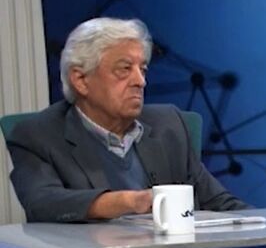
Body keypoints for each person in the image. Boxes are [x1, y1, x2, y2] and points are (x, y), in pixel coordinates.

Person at [6, 17, 247, 223]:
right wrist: (129, 201)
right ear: (80, 80)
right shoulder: (38, 135)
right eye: (124, 69)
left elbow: (220, 202)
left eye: (143, 69)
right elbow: (42, 202)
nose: (140, 81)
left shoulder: (169, 125)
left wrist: (261, 229)